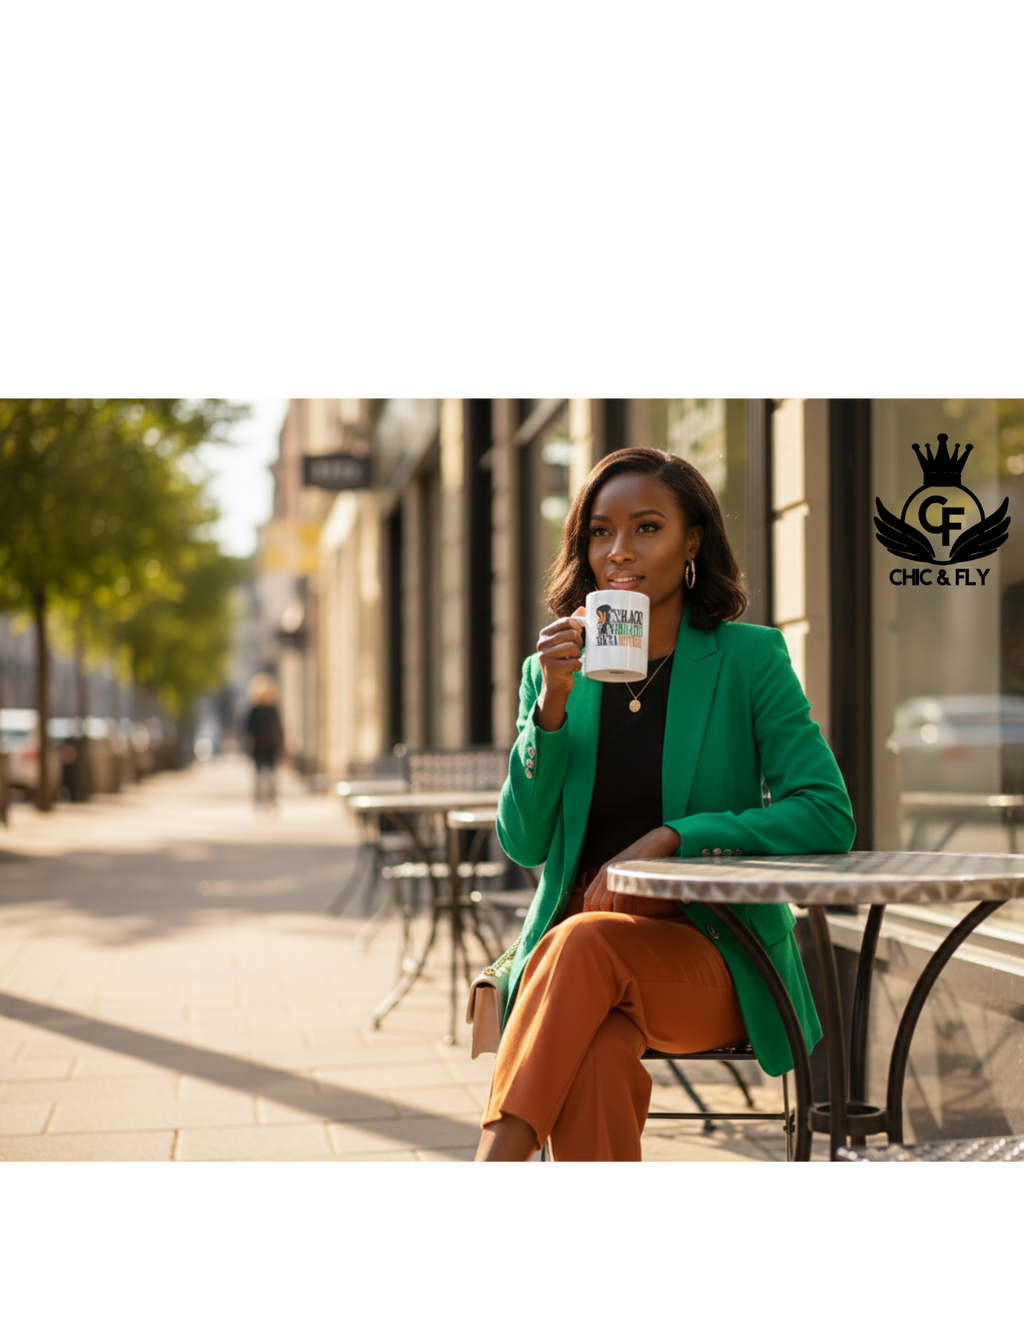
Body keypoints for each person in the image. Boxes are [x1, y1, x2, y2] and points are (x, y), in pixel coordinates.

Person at [475, 448, 855, 1164]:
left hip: (716, 953)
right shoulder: (548, 672)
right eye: (599, 531)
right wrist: (549, 710)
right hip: (579, 969)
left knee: (581, 943)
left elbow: (827, 814)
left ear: (692, 541)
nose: (618, 551)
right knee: (592, 1056)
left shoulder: (749, 660)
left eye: (646, 527)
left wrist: (677, 835)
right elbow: (523, 842)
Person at [245, 674, 283, 811]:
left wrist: (282, 745)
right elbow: (247, 729)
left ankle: (270, 801)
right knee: (259, 777)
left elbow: (279, 728)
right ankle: (259, 801)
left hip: (269, 747)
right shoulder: (254, 710)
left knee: (270, 777)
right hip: (259, 748)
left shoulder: (270, 709)